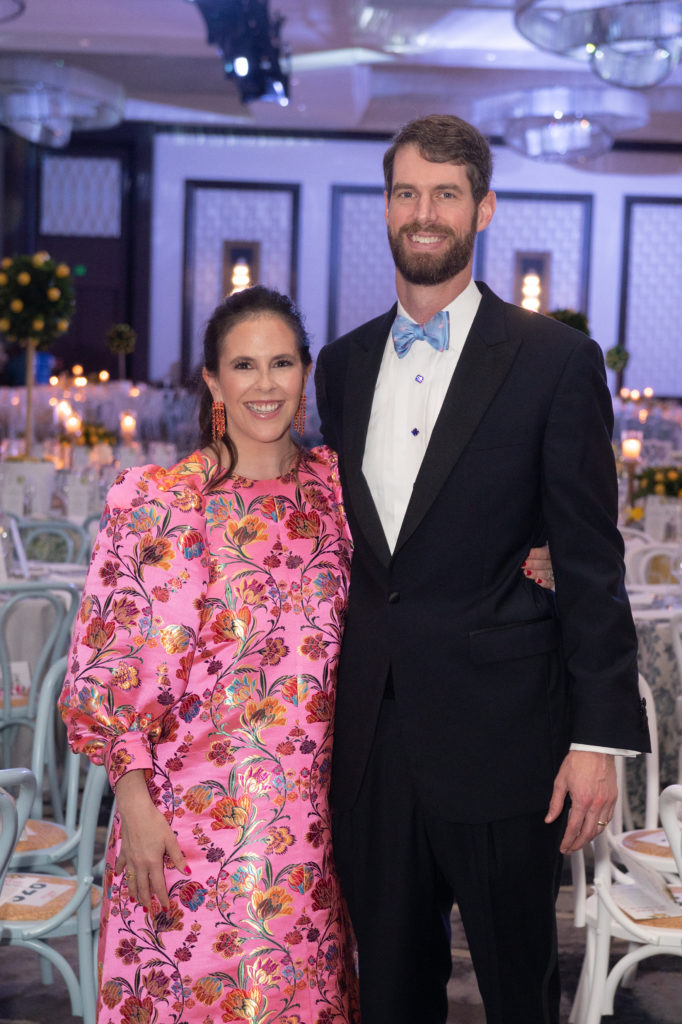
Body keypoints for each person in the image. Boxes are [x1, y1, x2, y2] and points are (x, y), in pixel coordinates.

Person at [314, 114, 650, 1024]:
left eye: (447, 194)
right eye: (407, 192)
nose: (425, 213)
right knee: (389, 990)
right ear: (385, 206)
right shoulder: (340, 368)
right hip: (374, 739)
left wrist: (597, 740)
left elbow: (589, 561)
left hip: (508, 741)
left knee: (516, 990)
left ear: (484, 208)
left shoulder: (553, 361)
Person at [59, 286, 359, 1024]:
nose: (265, 384)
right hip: (177, 837)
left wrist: (534, 555)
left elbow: (444, 566)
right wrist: (133, 809)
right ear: (214, 381)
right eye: (245, 365)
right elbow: (102, 671)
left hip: (308, 841)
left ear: (307, 373)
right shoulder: (157, 502)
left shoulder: (343, 494)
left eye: (282, 363)